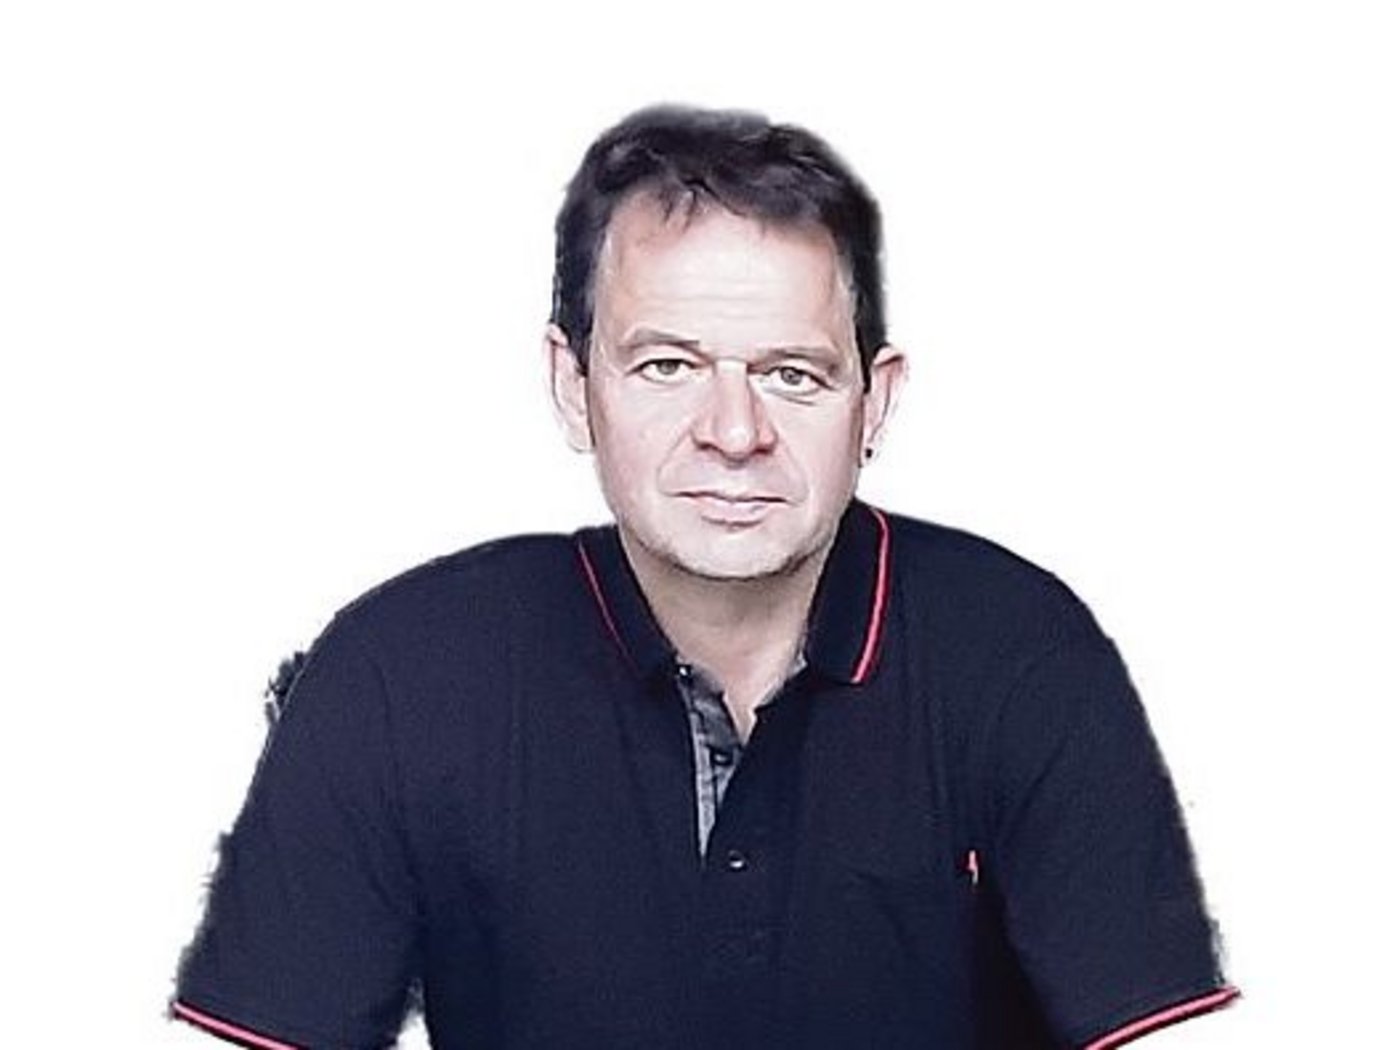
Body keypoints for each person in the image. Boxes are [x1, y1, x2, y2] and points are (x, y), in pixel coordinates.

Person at [172, 105, 1236, 1049]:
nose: (733, 431)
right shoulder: (400, 673)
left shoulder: (1020, 654)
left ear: (873, 402)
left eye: (791, 373)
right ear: (571, 383)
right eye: (667, 366)